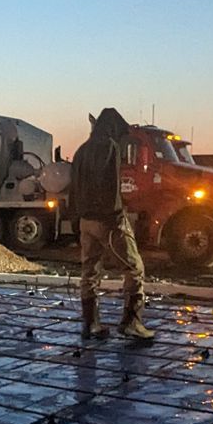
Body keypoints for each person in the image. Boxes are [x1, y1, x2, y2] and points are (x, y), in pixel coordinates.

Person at [72, 107, 153, 341]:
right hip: (108, 220)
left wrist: (77, 219)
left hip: (85, 221)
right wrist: (115, 216)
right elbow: (109, 185)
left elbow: (74, 188)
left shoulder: (82, 150)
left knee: (90, 271)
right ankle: (132, 323)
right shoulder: (109, 147)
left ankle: (90, 324)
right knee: (134, 268)